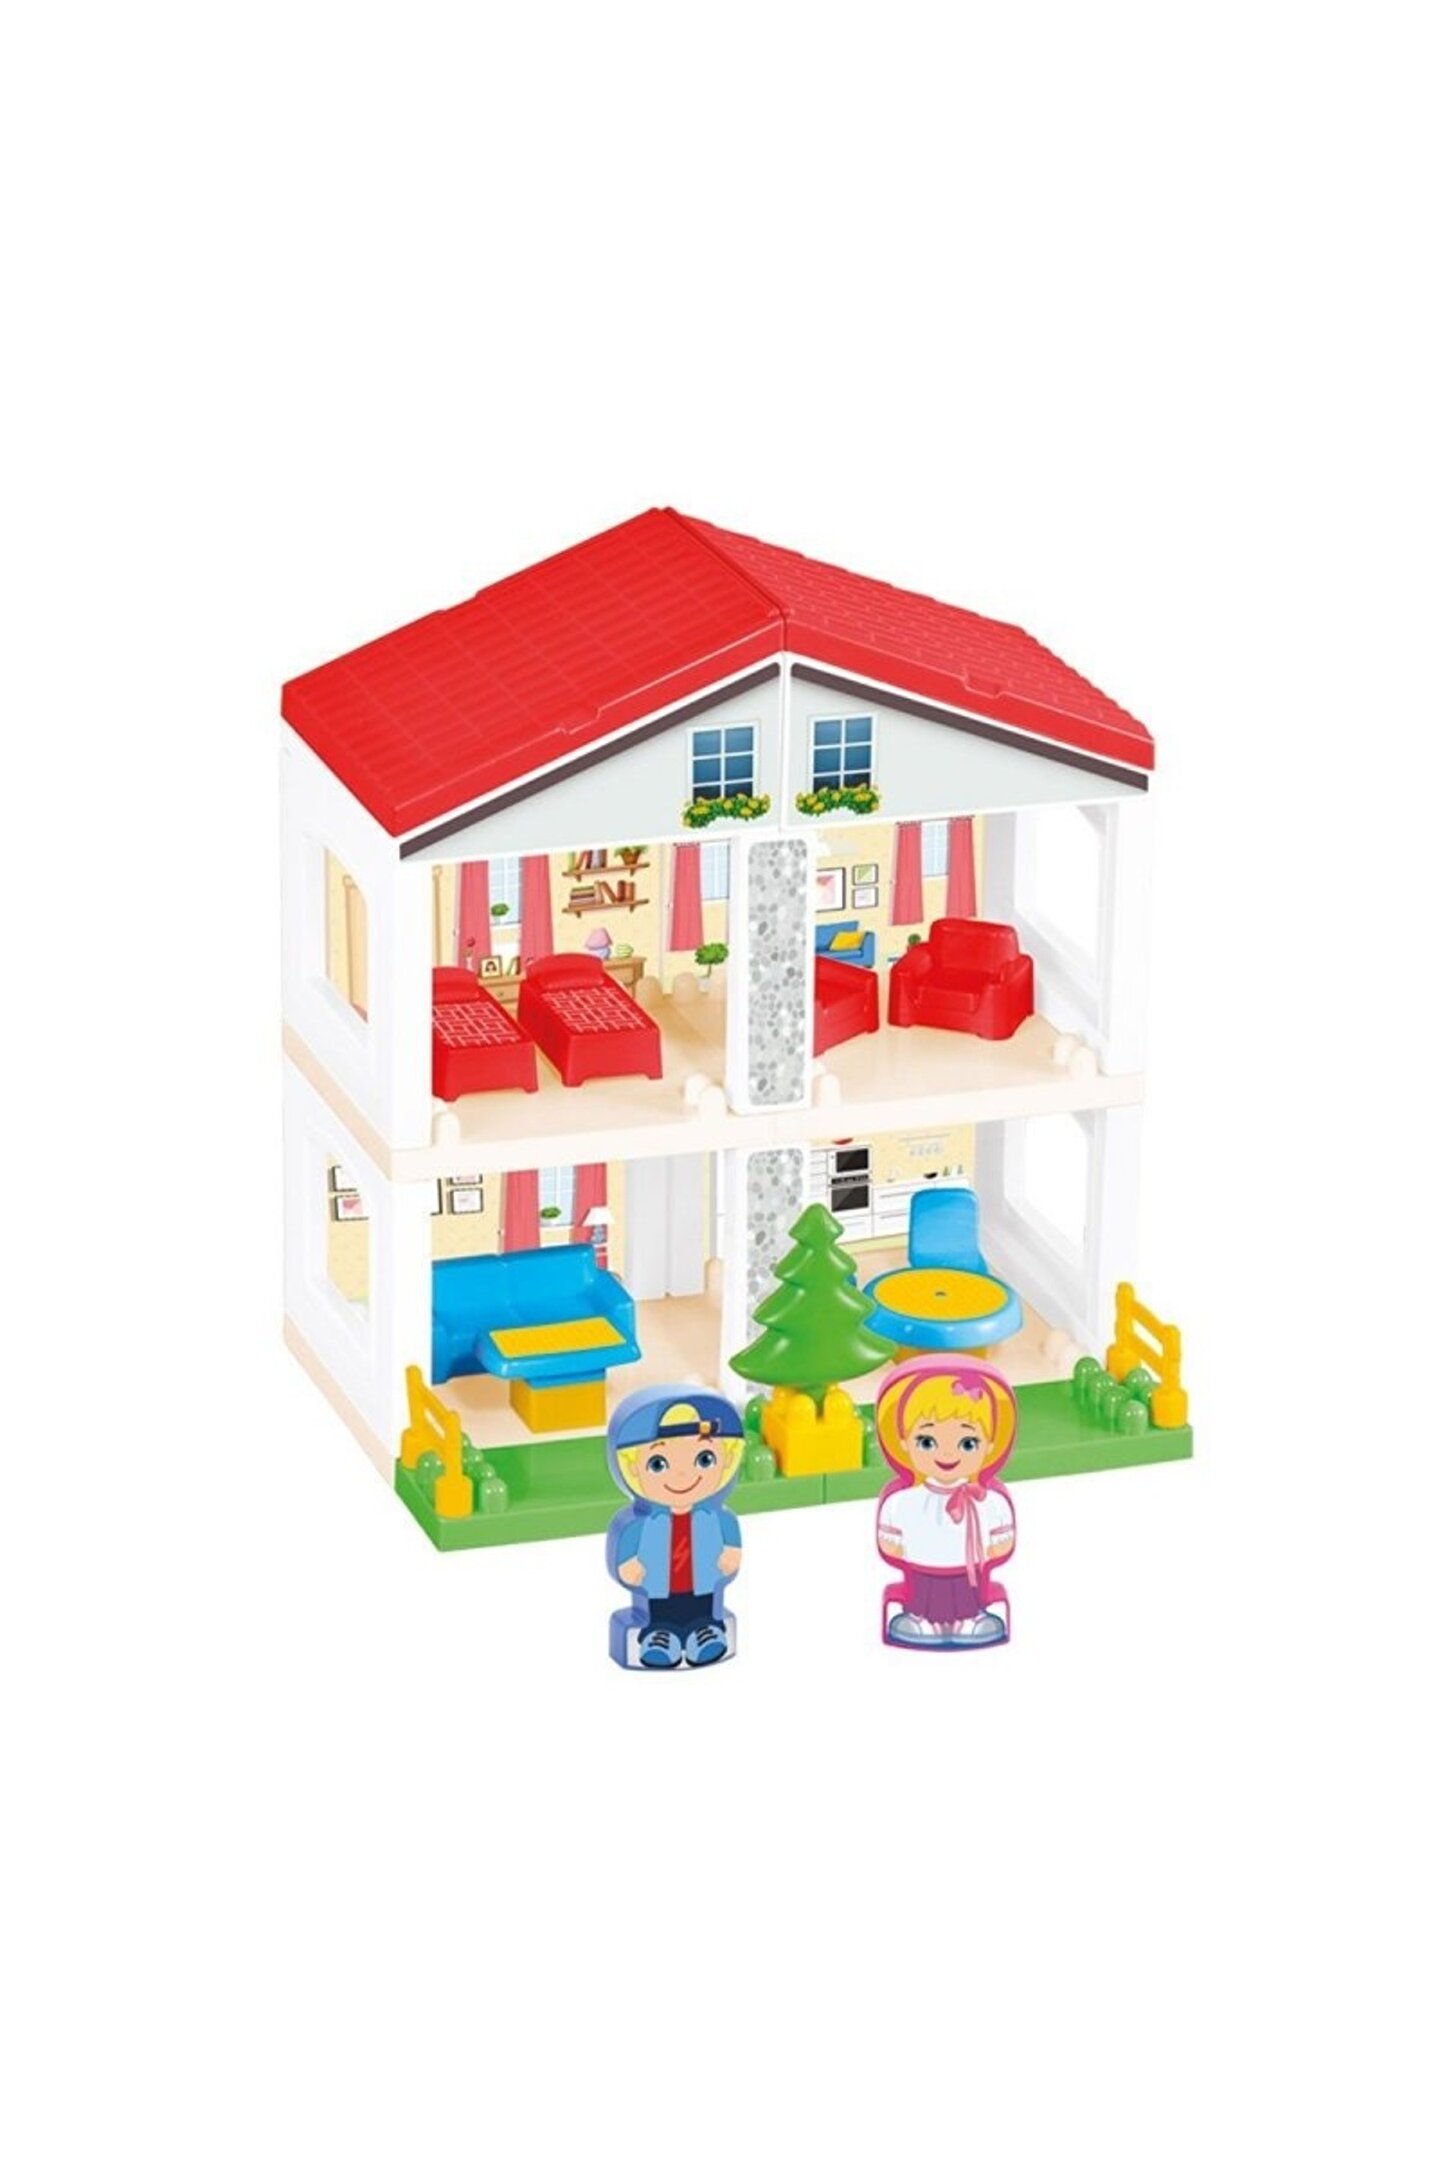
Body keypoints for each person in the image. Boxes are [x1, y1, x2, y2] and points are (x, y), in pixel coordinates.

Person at [874, 1355, 1017, 1650]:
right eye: (927, 1442)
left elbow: (1002, 1541)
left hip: (970, 1572)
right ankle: (919, 1617)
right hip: (921, 1568)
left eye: (968, 1443)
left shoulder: (987, 1499)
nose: (948, 1455)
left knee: (968, 1595)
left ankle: (971, 1618)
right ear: (903, 1442)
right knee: (923, 1595)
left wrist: (993, 1547)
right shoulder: (903, 1500)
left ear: (990, 1445)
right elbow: (889, 1542)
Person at [605, 1387, 744, 1670]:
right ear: (632, 1468)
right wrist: (627, 1566)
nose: (682, 1475)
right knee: (662, 1616)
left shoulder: (718, 1517)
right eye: (658, 1464)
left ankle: (704, 1633)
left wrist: (731, 1553)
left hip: (705, 1583)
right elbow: (626, 1543)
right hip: (657, 1588)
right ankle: (660, 1636)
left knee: (703, 1612)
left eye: (704, 1460)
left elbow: (730, 1537)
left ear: (728, 1460)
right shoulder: (640, 1523)